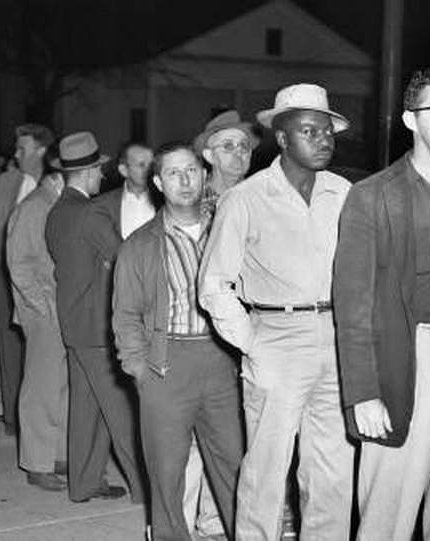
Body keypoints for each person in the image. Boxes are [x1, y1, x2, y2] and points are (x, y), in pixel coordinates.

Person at [334, 66, 430, 541]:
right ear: (410, 120)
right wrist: (362, 391)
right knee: (389, 505)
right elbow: (353, 303)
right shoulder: (372, 196)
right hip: (404, 355)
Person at [200, 83, 354, 541]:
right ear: (282, 139)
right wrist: (253, 343)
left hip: (336, 338)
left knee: (332, 472)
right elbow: (214, 286)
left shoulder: (345, 193)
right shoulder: (246, 199)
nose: (323, 140)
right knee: (267, 471)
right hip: (276, 337)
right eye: (310, 131)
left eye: (328, 132)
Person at [114, 142, 244, 541]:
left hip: (222, 360)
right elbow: (125, 316)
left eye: (191, 170)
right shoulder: (139, 245)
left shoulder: (230, 229)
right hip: (167, 363)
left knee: (234, 466)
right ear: (158, 182)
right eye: (173, 173)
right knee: (167, 472)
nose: (185, 180)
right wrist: (141, 371)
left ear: (204, 174)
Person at [45, 131, 144, 504]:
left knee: (86, 409)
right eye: (99, 170)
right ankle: (147, 489)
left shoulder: (57, 211)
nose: (102, 176)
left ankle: (84, 484)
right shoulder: (89, 213)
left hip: (74, 324)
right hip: (98, 327)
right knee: (122, 411)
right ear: (88, 172)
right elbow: (124, 258)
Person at [181, 108, 257, 540]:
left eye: (244, 146)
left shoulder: (261, 195)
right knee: (193, 433)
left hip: (249, 328)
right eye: (227, 146)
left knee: (238, 431)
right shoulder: (192, 200)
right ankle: (180, 522)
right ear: (207, 153)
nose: (238, 154)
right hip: (201, 330)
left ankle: (216, 519)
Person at [0, 123, 55, 431]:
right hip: (4, 275)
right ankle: (12, 415)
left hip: (41, 279)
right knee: (8, 344)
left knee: (40, 349)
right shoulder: (6, 181)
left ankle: (41, 418)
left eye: (22, 148)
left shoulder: (54, 184)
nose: (15, 154)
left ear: (40, 150)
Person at [6, 171, 69, 491]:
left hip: (58, 310)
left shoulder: (51, 203)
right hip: (43, 312)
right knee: (41, 388)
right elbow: (18, 263)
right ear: (59, 178)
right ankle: (37, 463)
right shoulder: (34, 208)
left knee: (59, 386)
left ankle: (57, 455)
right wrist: (42, 308)